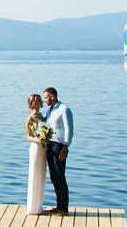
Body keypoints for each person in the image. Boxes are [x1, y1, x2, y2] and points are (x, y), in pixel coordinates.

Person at [43, 87, 73, 216]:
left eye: (46, 97)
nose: (45, 100)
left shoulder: (64, 109)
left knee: (60, 176)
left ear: (52, 96)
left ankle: (64, 208)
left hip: (59, 146)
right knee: (54, 177)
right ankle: (59, 206)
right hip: (49, 145)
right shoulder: (50, 110)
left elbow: (69, 130)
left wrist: (65, 147)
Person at [24, 94, 47, 215]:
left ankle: (38, 206)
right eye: (36, 100)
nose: (39, 102)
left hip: (43, 148)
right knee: (35, 175)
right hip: (36, 147)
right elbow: (27, 136)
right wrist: (38, 140)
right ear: (32, 103)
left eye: (39, 100)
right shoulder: (32, 116)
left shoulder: (42, 115)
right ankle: (33, 208)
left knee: (41, 176)